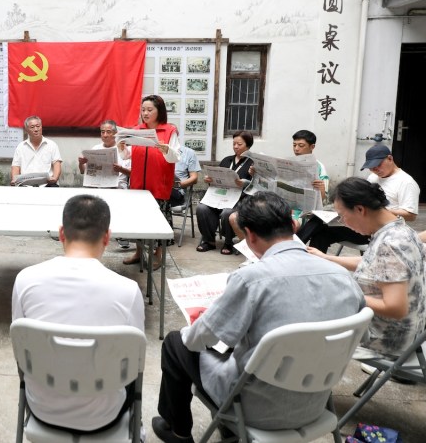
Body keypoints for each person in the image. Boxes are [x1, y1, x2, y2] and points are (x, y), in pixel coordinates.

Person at [152, 192, 364, 443]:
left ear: (249, 235)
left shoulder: (251, 279)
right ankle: (226, 429)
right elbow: (362, 335)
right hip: (316, 405)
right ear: (294, 225)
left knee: (177, 343)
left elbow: (198, 340)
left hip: (253, 408)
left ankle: (179, 431)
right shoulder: (343, 278)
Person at [12, 195, 144, 434]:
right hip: (103, 415)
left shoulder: (25, 280)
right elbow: (134, 364)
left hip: (41, 408)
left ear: (62, 233)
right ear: (107, 237)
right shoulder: (128, 291)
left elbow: (21, 355)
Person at [308, 178, 426, 358]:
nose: (343, 222)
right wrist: (326, 258)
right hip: (408, 332)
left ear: (360, 209)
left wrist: (346, 293)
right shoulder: (399, 228)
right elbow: (376, 263)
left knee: (303, 319)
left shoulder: (391, 244)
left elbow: (396, 307)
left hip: (384, 341)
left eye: (342, 216)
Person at [302, 144, 420, 252]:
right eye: (372, 167)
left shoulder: (406, 182)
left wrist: (377, 209)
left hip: (375, 228)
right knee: (320, 228)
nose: (375, 170)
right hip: (359, 219)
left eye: (378, 165)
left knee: (320, 225)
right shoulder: (373, 177)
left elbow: (411, 215)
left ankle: (294, 247)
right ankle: (310, 265)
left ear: (390, 158)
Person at [230, 129, 328, 240]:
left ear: (312, 147)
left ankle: (271, 250)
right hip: (276, 206)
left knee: (289, 225)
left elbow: (322, 199)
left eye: (301, 145)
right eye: (294, 145)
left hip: (300, 213)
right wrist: (256, 174)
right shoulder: (286, 163)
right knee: (234, 218)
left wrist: (321, 189)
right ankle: (253, 251)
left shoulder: (318, 167)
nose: (296, 149)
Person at [118, 95, 180, 265]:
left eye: (149, 109)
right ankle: (138, 253)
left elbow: (176, 157)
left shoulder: (169, 131)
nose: (145, 113)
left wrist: (166, 149)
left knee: (158, 221)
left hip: (159, 183)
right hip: (138, 183)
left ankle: (158, 256)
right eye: (143, 109)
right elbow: (128, 156)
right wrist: (122, 148)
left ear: (159, 111)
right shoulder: (136, 130)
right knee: (138, 220)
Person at [195, 130, 254, 255]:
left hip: (239, 199)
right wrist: (209, 180)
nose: (236, 147)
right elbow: (216, 180)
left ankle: (228, 242)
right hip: (220, 195)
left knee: (227, 212)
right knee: (201, 208)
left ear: (248, 145)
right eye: (234, 144)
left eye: (239, 144)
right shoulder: (227, 160)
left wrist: (246, 182)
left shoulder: (252, 163)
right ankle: (209, 241)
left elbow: (257, 186)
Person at [77, 119, 131, 190]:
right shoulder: (96, 148)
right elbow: (83, 171)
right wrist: (81, 164)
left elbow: (132, 174)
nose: (105, 135)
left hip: (118, 188)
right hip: (98, 188)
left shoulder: (124, 149)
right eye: (103, 132)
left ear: (115, 133)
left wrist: (121, 169)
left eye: (108, 132)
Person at [11, 115, 62, 186]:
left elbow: (57, 163)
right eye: (32, 127)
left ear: (41, 127)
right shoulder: (21, 147)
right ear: (26, 130)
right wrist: (14, 180)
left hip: (47, 184)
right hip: (26, 185)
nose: (36, 129)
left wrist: (55, 178)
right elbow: (16, 166)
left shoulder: (51, 145)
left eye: (38, 126)